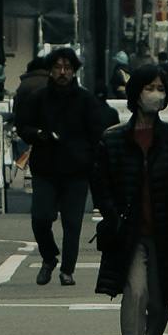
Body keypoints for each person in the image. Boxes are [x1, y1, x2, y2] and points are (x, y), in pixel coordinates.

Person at [90, 62, 168, 335]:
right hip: (130, 230)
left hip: (165, 229)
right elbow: (101, 182)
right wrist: (111, 214)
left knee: (162, 300)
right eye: (150, 88)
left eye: (161, 89)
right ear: (135, 94)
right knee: (135, 291)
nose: (156, 95)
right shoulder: (115, 139)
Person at [11, 46, 113, 286]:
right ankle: (49, 256)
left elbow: (98, 133)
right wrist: (38, 134)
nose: (62, 72)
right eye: (57, 67)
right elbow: (23, 126)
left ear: (74, 71)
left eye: (67, 68)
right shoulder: (38, 98)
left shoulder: (86, 100)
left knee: (72, 222)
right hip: (45, 168)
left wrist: (90, 158)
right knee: (41, 218)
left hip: (77, 171)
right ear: (50, 70)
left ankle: (67, 270)